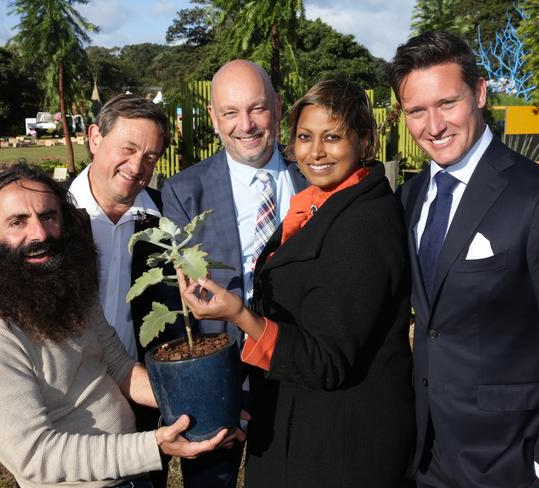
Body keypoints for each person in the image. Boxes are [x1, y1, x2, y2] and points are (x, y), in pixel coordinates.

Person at [181, 79, 415, 487]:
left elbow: (327, 360)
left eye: (333, 137)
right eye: (305, 137)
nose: (316, 151)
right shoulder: (315, 203)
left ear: (364, 140)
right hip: (301, 419)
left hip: (338, 442)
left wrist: (239, 314)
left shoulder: (363, 225)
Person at [0, 164, 233, 488]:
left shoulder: (69, 296)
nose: (39, 233)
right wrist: (152, 446)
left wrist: (206, 405)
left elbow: (119, 367)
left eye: (49, 216)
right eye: (17, 222)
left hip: (131, 478)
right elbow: (36, 456)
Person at [390, 31, 539, 488]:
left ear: (479, 92)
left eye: (447, 103)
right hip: (426, 454)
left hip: (514, 458)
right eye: (417, 111)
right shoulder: (409, 196)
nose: (433, 126)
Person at [161, 59, 308, 487]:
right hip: (221, 382)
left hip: (301, 373)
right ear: (213, 118)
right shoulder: (184, 191)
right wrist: (207, 395)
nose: (245, 125)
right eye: (230, 112)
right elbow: (179, 310)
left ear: (278, 107)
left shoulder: (314, 178)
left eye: (257, 108)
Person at [69, 93, 180, 488]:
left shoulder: (164, 221)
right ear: (95, 137)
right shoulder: (52, 218)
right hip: (67, 398)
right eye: (128, 148)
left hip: (140, 396)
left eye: (150, 157)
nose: (137, 167)